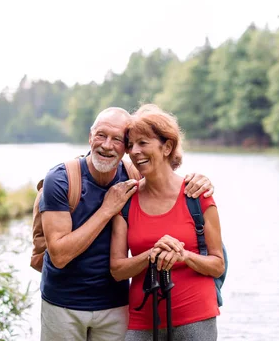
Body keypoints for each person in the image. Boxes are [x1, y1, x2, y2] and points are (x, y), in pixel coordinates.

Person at [39, 107, 215, 341]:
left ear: (124, 147)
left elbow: (165, 176)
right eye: (101, 135)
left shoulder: (134, 176)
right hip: (63, 305)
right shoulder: (61, 179)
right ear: (90, 137)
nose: (107, 145)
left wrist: (201, 180)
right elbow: (59, 256)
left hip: (116, 306)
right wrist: (107, 210)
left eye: (119, 140)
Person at [110, 104, 225, 341]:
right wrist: (152, 254)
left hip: (196, 318)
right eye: (130, 145)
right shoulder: (127, 200)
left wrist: (185, 256)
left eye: (143, 143)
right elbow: (117, 270)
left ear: (167, 147)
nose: (134, 151)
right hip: (142, 319)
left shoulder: (197, 195)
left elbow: (217, 265)